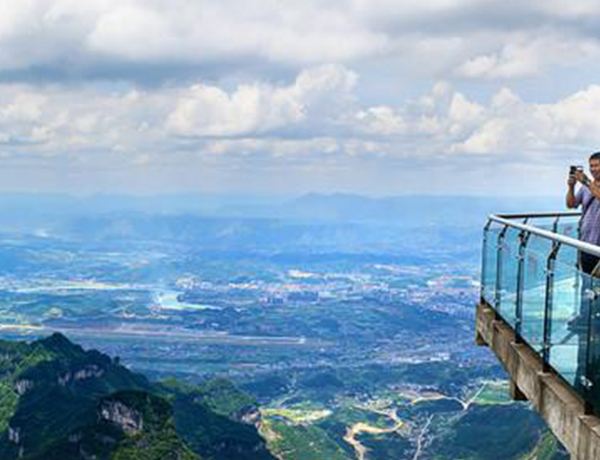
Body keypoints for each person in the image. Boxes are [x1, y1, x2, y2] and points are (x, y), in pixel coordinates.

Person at [566, 152, 600, 411]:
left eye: (597, 166)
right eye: (591, 167)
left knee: (595, 287)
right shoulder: (588, 188)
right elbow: (570, 205)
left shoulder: (593, 186)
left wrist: (587, 182)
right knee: (586, 284)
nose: (594, 170)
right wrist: (571, 186)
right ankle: (586, 317)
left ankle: (593, 320)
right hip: (585, 243)